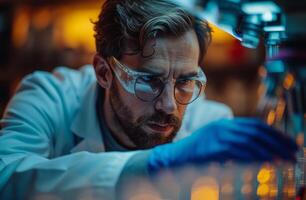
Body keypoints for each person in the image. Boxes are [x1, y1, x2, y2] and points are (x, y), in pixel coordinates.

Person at [0, 0, 297, 199]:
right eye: (147, 81)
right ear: (104, 72)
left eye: (184, 82)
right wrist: (156, 163)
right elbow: (7, 178)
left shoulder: (209, 124)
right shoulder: (50, 97)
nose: (169, 105)